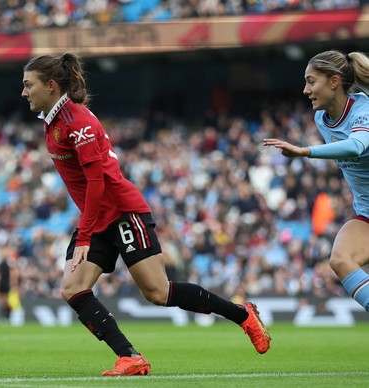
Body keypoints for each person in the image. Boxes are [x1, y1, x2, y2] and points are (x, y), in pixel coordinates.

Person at [21, 52, 271, 376]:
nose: (24, 92)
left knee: (157, 292)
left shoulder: (76, 122)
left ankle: (243, 314)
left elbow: (97, 182)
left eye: (28, 85)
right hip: (96, 216)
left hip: (123, 211)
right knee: (72, 289)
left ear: (51, 86)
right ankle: (130, 356)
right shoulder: (54, 121)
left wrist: (84, 236)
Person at [264, 50, 369, 313]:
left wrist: (305, 151)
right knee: (341, 259)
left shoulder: (364, 109)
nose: (305, 89)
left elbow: (356, 146)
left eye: (312, 81)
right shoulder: (322, 119)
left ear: (334, 81)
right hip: (366, 213)